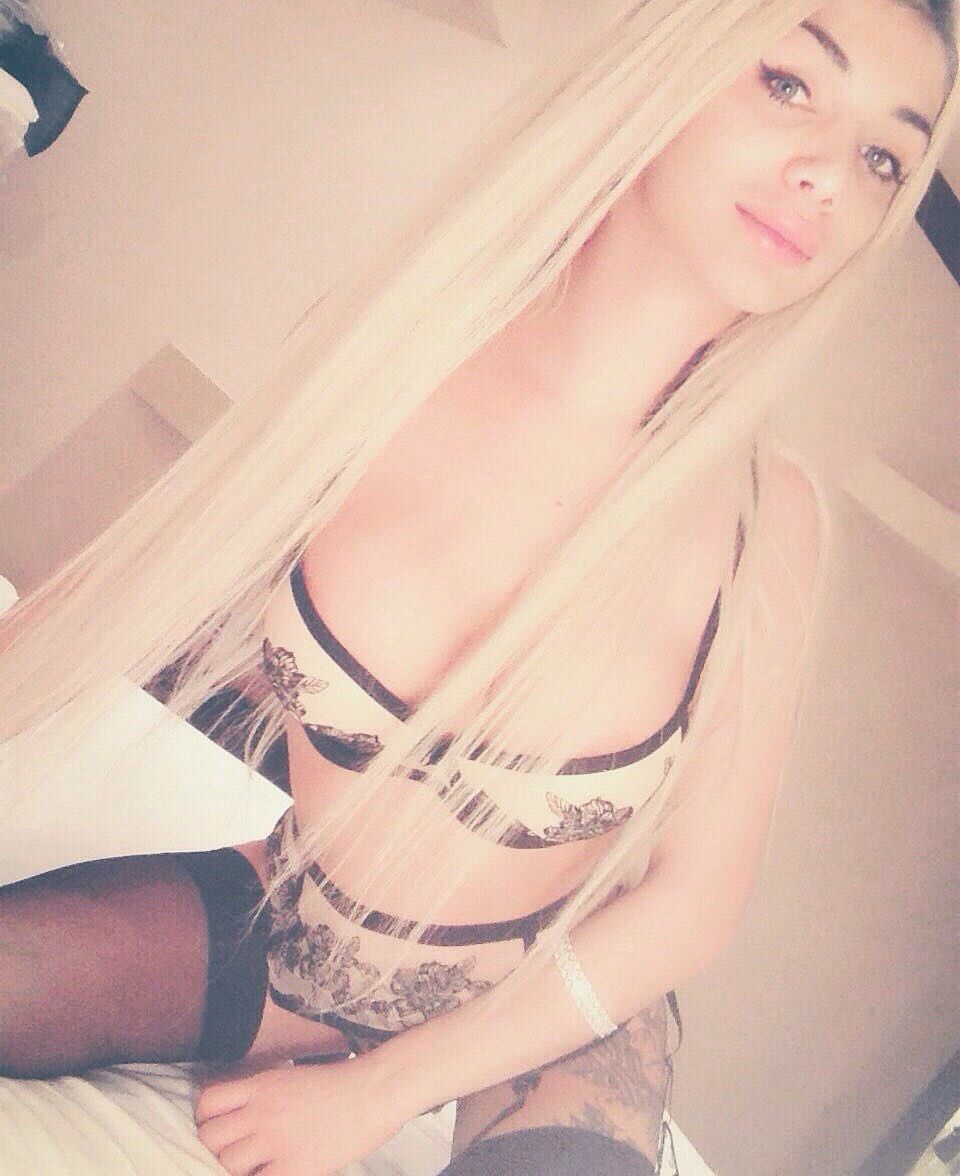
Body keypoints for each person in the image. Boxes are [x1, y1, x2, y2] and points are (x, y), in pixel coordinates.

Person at [0, 1, 955, 1173]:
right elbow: (137, 577)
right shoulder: (388, 346)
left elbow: (694, 902)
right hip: (299, 935)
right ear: (672, 63)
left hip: (538, 1020)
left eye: (883, 158)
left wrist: (373, 1100)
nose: (827, 177)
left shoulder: (768, 523)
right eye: (791, 84)